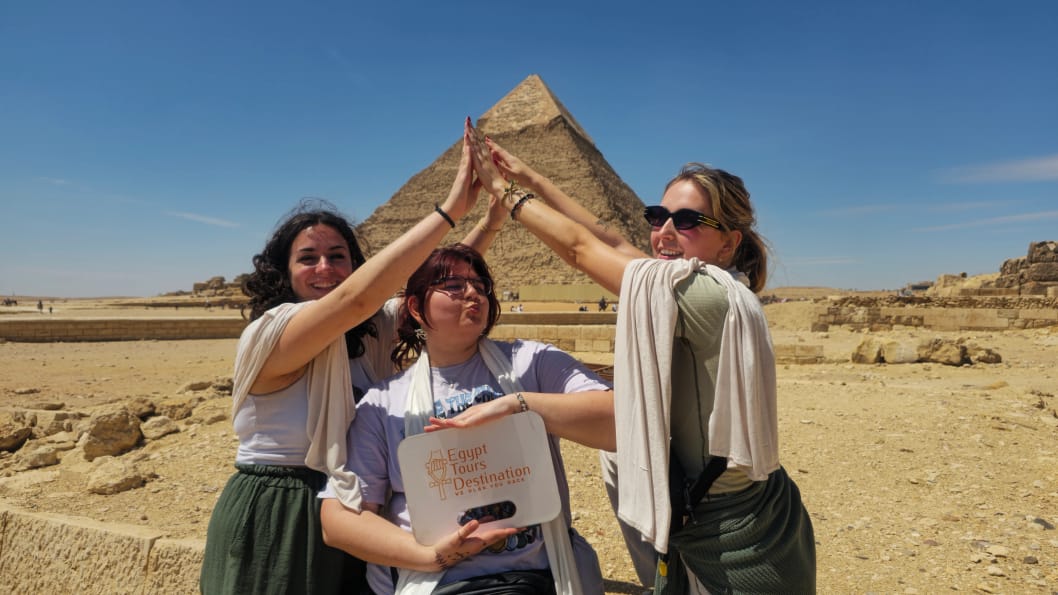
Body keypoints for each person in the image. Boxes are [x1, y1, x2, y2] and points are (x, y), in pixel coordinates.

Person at [465, 120, 816, 594]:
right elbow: (609, 240)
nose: (665, 232)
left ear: (729, 242)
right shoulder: (695, 286)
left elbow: (580, 249)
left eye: (688, 221)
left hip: (735, 539)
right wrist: (534, 179)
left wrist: (504, 192)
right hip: (728, 507)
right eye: (657, 216)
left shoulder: (704, 295)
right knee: (617, 454)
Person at [200, 125, 513, 595]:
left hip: (358, 507)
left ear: (354, 263)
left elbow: (433, 294)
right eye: (308, 258)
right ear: (284, 270)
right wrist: (449, 211)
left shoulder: (368, 334)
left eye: (338, 256)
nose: (325, 268)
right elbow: (355, 299)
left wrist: (490, 222)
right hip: (283, 510)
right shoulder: (270, 334)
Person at [320, 244, 614, 595]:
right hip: (437, 583)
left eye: (480, 284)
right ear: (415, 307)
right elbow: (339, 521)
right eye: (454, 286)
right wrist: (433, 556)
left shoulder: (532, 363)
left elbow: (618, 424)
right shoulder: (383, 403)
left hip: (536, 577)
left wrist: (519, 405)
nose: (473, 293)